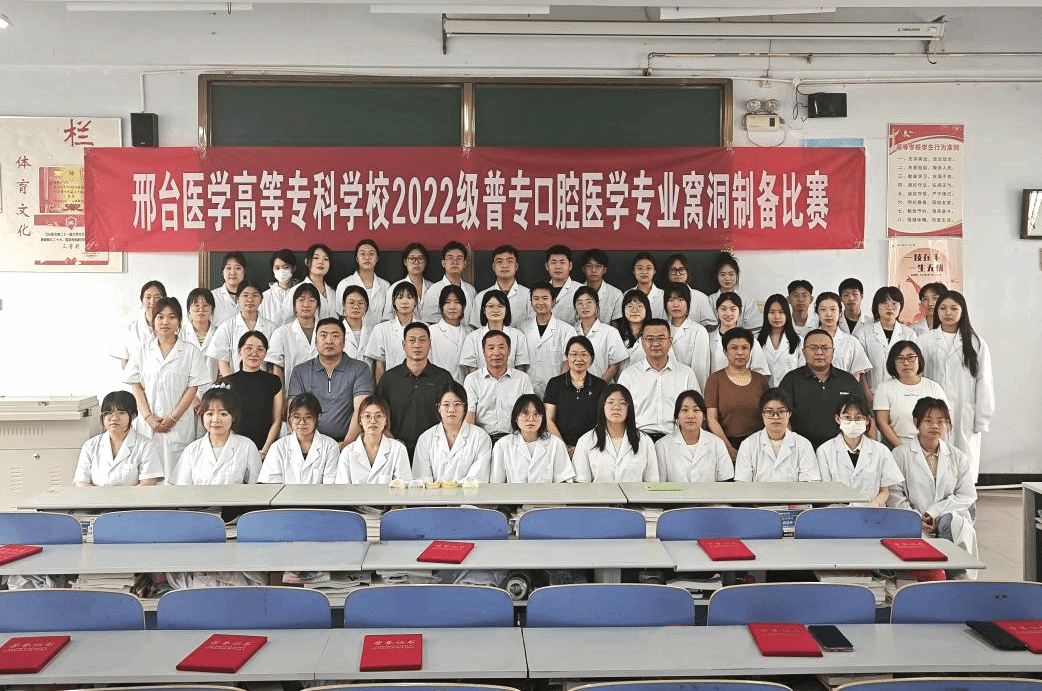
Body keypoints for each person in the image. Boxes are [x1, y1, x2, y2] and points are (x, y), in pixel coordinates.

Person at [125, 297, 211, 479]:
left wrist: (173, 417)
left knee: (179, 476)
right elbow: (136, 386)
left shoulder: (190, 351)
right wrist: (148, 418)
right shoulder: (141, 351)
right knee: (148, 476)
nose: (165, 322)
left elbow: (192, 388)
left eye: (172, 317)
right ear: (153, 321)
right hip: (148, 425)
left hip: (179, 424)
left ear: (179, 322)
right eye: (160, 317)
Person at [917, 290, 995, 482]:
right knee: (933, 462)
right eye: (943, 308)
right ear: (937, 311)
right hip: (932, 410)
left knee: (963, 463)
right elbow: (918, 377)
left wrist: (981, 418)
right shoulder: (925, 340)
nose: (948, 312)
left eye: (954, 308)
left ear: (963, 311)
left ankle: (965, 498)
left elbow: (984, 382)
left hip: (964, 411)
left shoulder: (976, 343)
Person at [888, 397, 977, 559]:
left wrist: (935, 512)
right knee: (922, 560)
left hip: (948, 519)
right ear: (916, 422)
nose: (935, 426)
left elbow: (967, 495)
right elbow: (895, 495)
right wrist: (918, 519)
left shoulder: (957, 457)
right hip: (912, 519)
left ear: (947, 424)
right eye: (928, 420)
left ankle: (954, 572)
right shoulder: (900, 454)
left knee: (952, 529)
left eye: (941, 421)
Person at [288, 317, 374, 446]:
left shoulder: (360, 369)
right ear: (316, 342)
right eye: (323, 336)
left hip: (349, 444)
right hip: (310, 444)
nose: (329, 341)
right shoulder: (300, 371)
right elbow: (293, 412)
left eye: (335, 336)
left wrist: (346, 443)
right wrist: (308, 445)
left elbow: (361, 409)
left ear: (343, 342)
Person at [374, 321, 455, 458]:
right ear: (404, 345)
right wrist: (393, 442)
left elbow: (452, 414)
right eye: (412, 340)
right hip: (395, 450)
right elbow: (377, 414)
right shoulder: (389, 378)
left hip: (435, 451)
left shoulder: (443, 377)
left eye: (422, 340)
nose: (417, 345)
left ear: (430, 344)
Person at [618, 318, 700, 441]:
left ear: (670, 341)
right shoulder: (628, 375)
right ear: (642, 342)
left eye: (661, 339)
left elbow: (696, 411)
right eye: (650, 339)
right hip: (639, 440)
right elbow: (620, 412)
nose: (655, 344)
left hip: (676, 439)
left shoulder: (686, 374)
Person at [778, 329, 862, 449]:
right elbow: (781, 415)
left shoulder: (847, 380)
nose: (819, 352)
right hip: (801, 448)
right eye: (813, 348)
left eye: (825, 348)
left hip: (841, 449)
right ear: (803, 352)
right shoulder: (791, 379)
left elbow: (864, 414)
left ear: (833, 351)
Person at [815, 396, 904, 507]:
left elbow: (885, 491)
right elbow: (826, 492)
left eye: (858, 418)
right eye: (847, 417)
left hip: (872, 512)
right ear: (838, 419)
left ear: (866, 420)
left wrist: (876, 503)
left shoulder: (881, 451)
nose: (853, 422)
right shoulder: (824, 451)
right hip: (838, 513)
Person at [705, 327, 771, 460]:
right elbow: (712, 419)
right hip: (726, 446)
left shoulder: (761, 380)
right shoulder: (715, 379)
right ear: (725, 352)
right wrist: (728, 448)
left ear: (750, 351)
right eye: (734, 348)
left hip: (758, 447)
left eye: (745, 348)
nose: (740, 352)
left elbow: (768, 416)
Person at [171, 388, 261, 485]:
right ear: (202, 416)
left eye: (223, 414)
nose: (215, 420)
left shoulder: (247, 446)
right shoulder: (191, 450)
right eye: (210, 414)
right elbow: (182, 488)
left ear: (233, 417)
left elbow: (257, 486)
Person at [572, 384, 658, 482]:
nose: (616, 407)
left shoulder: (644, 441)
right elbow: (581, 483)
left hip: (635, 493)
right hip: (599, 492)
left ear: (629, 408)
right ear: (602, 406)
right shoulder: (586, 440)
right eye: (610, 402)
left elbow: (652, 482)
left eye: (622, 403)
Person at [74, 391, 162, 486]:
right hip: (96, 496)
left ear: (132, 416)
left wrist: (122, 496)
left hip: (135, 496)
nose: (114, 418)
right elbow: (81, 481)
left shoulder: (145, 446)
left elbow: (148, 483)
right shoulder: (90, 445)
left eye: (121, 413)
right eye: (108, 413)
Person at [874, 340, 949, 448]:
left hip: (929, 445)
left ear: (919, 359)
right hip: (896, 446)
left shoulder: (933, 387)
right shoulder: (884, 387)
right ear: (893, 362)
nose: (906, 363)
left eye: (911, 357)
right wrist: (902, 449)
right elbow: (882, 422)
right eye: (900, 359)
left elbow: (944, 420)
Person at [463, 330, 535, 443]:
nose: (496, 353)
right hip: (483, 440)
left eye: (501, 347)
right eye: (491, 348)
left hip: (515, 440)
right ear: (483, 352)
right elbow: (469, 416)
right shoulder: (472, 379)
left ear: (509, 350)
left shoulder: (522, 379)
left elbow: (529, 414)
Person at [734, 388, 820, 482]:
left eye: (781, 411)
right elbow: (742, 485)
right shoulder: (748, 445)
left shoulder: (803, 445)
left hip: (793, 492)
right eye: (769, 412)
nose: (775, 417)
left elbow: (809, 484)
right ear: (762, 414)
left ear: (789, 414)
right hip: (757, 492)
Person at [413, 382, 493, 482]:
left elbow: (478, 478)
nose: (451, 410)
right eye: (446, 405)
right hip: (433, 492)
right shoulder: (425, 439)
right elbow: (422, 480)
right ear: (438, 407)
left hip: (469, 492)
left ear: (465, 407)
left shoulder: (480, 438)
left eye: (457, 404)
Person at [220, 331, 283, 457]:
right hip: (232, 450)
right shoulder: (226, 383)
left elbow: (277, 420)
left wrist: (264, 452)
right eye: (249, 348)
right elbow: (222, 420)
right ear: (239, 351)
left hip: (264, 450)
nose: (254, 353)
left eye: (260, 349)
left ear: (265, 353)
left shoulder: (274, 382)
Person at [545, 335, 607, 456]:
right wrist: (563, 447)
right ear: (567, 357)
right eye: (573, 354)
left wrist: (582, 448)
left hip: (591, 449)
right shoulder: (554, 384)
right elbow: (549, 420)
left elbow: (603, 422)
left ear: (591, 358)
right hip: (559, 449)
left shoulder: (601, 386)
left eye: (584, 354)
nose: (579, 359)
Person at [258, 392, 340, 484]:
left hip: (321, 494)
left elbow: (330, 485)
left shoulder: (330, 446)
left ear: (318, 417)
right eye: (297, 417)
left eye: (308, 417)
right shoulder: (278, 447)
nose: (302, 422)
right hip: (285, 494)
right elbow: (270, 485)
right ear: (290, 418)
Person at [491, 394, 574, 483]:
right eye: (525, 414)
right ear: (516, 417)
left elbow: (563, 480)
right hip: (514, 492)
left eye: (536, 414)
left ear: (542, 418)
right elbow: (496, 483)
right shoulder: (503, 444)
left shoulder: (556, 443)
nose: (531, 419)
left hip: (548, 492)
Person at [655, 390, 733, 482]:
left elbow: (725, 481)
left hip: (710, 492)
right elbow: (660, 485)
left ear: (704, 416)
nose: (691, 416)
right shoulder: (662, 446)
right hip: (675, 492)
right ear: (677, 416)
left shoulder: (717, 444)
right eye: (684, 410)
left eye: (696, 410)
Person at [855, 286, 917, 398]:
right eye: (884, 303)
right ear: (876, 306)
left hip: (902, 393)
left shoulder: (909, 334)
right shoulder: (863, 333)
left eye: (894, 304)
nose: (890, 307)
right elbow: (860, 369)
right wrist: (868, 396)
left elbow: (914, 366)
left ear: (900, 307)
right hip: (873, 392)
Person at [336, 396, 413, 484]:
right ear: (360, 420)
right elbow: (342, 489)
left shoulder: (398, 449)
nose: (373, 421)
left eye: (378, 416)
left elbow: (404, 486)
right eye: (367, 416)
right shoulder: (347, 453)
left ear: (386, 420)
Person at [208, 281, 277, 377]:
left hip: (263, 381)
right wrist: (232, 382)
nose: (250, 299)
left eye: (255, 295)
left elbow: (273, 362)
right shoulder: (226, 327)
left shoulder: (271, 327)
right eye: (245, 295)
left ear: (261, 299)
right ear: (237, 299)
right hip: (234, 381)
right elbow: (222, 362)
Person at [522, 281, 576, 397]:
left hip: (557, 391)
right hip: (528, 389)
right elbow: (520, 363)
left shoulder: (567, 330)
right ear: (531, 302)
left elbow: (568, 362)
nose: (540, 302)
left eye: (545, 298)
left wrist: (559, 387)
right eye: (536, 298)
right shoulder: (522, 329)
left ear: (553, 301)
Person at [265, 282, 319, 393]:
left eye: (311, 300)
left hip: (324, 396)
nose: (306, 304)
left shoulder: (327, 331)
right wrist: (279, 399)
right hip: (292, 396)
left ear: (317, 306)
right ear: (294, 306)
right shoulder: (281, 333)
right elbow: (275, 369)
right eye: (301, 300)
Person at [461, 289, 530, 373]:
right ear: (484, 310)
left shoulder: (518, 336)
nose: (495, 310)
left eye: (500, 306)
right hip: (481, 381)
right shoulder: (472, 337)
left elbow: (521, 370)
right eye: (490, 306)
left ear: (506, 310)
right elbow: (471, 372)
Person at [366, 280, 419, 383]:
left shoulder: (426, 329)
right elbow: (379, 365)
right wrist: (381, 389)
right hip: (391, 384)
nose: (404, 301)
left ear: (415, 301)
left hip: (420, 383)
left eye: (409, 297)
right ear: (394, 301)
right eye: (400, 297)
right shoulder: (381, 329)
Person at [813, 291, 872, 383]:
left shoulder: (852, 342)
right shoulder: (808, 341)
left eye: (833, 309)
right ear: (817, 312)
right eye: (823, 309)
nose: (828, 314)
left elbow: (856, 374)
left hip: (844, 390)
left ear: (840, 312)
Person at [708, 292, 771, 377]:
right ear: (717, 312)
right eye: (723, 309)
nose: (728, 314)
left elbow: (761, 372)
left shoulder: (750, 339)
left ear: (739, 312)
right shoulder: (708, 339)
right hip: (715, 384)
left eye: (733, 309)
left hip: (744, 384)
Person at [471, 244, 532, 329]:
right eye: (499, 261)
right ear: (493, 267)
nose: (504, 265)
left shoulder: (529, 295)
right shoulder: (481, 297)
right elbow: (477, 328)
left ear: (516, 266)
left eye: (509, 261)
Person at [573, 286, 627, 382]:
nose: (584, 306)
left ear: (597, 305)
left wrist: (601, 386)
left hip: (603, 386)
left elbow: (615, 365)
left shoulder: (610, 332)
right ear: (575, 307)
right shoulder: (570, 331)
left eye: (589, 302)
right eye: (580, 303)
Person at [663, 282, 712, 389]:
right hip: (664, 387)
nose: (676, 304)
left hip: (688, 388)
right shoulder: (661, 329)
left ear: (688, 303)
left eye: (680, 300)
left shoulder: (699, 331)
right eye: (671, 300)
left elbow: (700, 371)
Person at [110, 280, 166, 369]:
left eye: (157, 297)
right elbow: (125, 363)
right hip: (137, 377)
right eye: (148, 297)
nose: (152, 302)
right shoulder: (128, 329)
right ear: (142, 299)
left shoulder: (174, 328)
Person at [419, 241, 477, 325]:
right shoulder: (434, 290)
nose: (455, 262)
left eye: (459, 258)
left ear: (464, 263)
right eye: (450, 258)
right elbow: (429, 321)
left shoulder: (471, 290)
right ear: (443, 263)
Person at [335, 238, 389, 327]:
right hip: (351, 333)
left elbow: (388, 316)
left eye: (371, 254)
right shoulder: (344, 284)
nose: (367, 258)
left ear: (377, 258)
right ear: (357, 258)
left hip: (379, 333)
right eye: (362, 254)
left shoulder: (385, 286)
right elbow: (340, 314)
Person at [428, 284, 472, 384]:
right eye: (447, 302)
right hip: (440, 387)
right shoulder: (431, 332)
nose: (452, 307)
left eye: (457, 302)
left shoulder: (469, 332)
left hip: (464, 387)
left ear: (463, 306)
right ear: (441, 306)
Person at [757, 294, 804, 387]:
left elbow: (802, 371)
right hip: (764, 391)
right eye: (772, 312)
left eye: (781, 312)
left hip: (790, 391)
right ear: (766, 315)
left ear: (787, 314)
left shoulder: (798, 341)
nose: (776, 316)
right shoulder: (756, 340)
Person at [284, 243, 338, 322]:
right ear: (307, 262)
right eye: (316, 258)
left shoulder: (333, 293)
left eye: (326, 259)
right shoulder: (295, 291)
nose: (321, 262)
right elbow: (287, 320)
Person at [708, 251, 759, 331]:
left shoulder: (747, 301)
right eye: (723, 275)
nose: (727, 278)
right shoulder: (709, 301)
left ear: (737, 275)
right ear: (717, 276)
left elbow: (754, 329)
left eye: (731, 274)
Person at [181, 287, 219, 391]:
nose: (201, 310)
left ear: (212, 309)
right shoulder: (180, 334)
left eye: (205, 305)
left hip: (213, 392)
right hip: (185, 392)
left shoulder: (220, 333)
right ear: (189, 309)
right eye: (196, 305)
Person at [660, 253, 714, 326]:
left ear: (687, 272)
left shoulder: (701, 297)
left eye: (682, 270)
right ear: (668, 273)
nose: (678, 274)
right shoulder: (660, 296)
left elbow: (711, 324)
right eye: (673, 270)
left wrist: (696, 331)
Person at [385, 242, 432, 321]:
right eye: (412, 258)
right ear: (405, 262)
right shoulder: (395, 287)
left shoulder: (433, 288)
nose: (416, 262)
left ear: (425, 262)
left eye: (420, 258)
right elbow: (387, 317)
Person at [611, 289, 653, 372]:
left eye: (639, 306)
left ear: (647, 309)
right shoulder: (615, 334)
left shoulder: (655, 333)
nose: (634, 310)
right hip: (620, 380)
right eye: (629, 306)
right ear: (623, 310)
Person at [581, 248, 623, 324]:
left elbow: (617, 324)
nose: (593, 270)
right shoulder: (575, 291)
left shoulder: (616, 294)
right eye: (589, 266)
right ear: (583, 269)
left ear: (604, 270)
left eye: (598, 266)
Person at [260, 248, 299, 326]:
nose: (281, 271)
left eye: (285, 267)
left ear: (293, 268)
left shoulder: (301, 292)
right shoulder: (265, 297)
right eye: (277, 268)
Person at [545, 245, 582, 326]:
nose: (558, 267)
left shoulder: (580, 290)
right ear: (547, 266)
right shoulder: (540, 290)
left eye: (562, 262)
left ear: (570, 266)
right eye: (553, 262)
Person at [340, 285, 374, 368]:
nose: (356, 307)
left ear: (366, 306)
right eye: (351, 303)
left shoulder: (373, 332)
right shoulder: (336, 331)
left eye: (360, 303)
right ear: (343, 305)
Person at [212, 251, 247, 326]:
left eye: (238, 268)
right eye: (228, 268)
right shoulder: (212, 297)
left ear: (245, 271)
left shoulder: (253, 297)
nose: (233, 273)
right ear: (223, 272)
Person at [629, 251, 666, 320]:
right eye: (640, 268)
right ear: (634, 271)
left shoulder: (664, 295)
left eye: (648, 268)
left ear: (654, 271)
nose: (644, 272)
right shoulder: (626, 295)